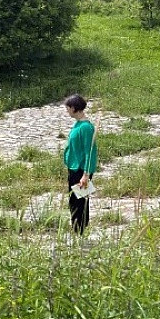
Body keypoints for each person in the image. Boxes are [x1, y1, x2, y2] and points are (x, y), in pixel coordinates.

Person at [63, 94, 98, 235]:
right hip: (73, 168)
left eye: (67, 108)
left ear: (73, 108)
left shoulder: (86, 127)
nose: (67, 111)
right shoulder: (78, 124)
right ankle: (76, 229)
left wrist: (86, 175)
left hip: (81, 170)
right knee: (73, 200)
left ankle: (80, 231)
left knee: (80, 202)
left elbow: (90, 152)